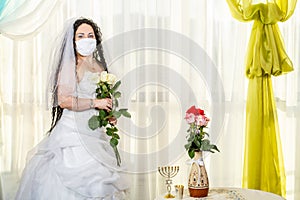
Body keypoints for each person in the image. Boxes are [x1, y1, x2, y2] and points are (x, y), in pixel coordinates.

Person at [15, 17, 129, 200]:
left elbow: (101, 98)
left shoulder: (99, 67)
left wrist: (107, 113)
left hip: (95, 134)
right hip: (72, 134)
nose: (86, 39)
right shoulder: (71, 65)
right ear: (73, 41)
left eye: (90, 35)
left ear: (96, 39)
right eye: (81, 36)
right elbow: (64, 100)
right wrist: (95, 103)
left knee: (102, 181)